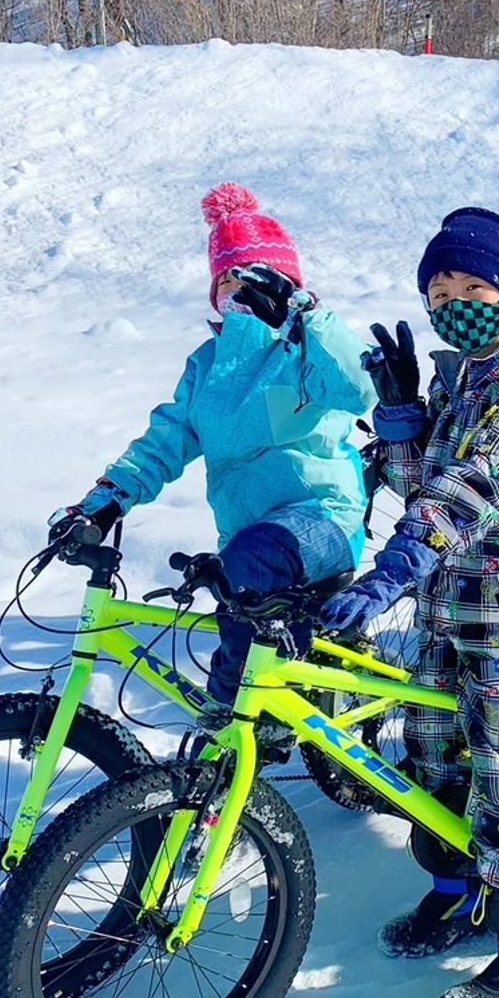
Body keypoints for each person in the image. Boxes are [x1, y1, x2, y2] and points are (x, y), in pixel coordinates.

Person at [318, 207, 499, 998]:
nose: (456, 302)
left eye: (474, 287)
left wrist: (398, 563)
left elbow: (475, 487)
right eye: (441, 290)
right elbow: (426, 479)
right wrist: (405, 421)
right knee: (433, 739)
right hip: (452, 590)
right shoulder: (465, 372)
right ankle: (459, 887)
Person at [50, 183, 376, 707]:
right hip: (248, 542)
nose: (237, 289)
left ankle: (224, 727)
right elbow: (167, 439)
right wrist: (104, 501)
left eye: (251, 277)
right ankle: (251, 715)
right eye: (227, 278)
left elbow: (361, 387)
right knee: (243, 585)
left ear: (282, 283)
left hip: (322, 520)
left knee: (243, 594)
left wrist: (304, 315)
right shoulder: (207, 365)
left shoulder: (305, 349)